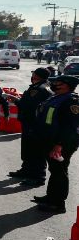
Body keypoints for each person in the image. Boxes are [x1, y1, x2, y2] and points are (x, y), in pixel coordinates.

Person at [31, 75, 79, 213]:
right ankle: (51, 197)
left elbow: (69, 127)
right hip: (51, 140)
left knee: (60, 172)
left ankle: (58, 204)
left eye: (59, 82)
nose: (55, 84)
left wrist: (59, 145)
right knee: (54, 170)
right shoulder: (56, 97)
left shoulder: (71, 101)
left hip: (63, 143)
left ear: (67, 85)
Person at [5, 68, 53, 186]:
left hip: (34, 124)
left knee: (36, 151)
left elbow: (29, 106)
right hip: (30, 123)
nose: (32, 76)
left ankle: (38, 177)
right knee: (27, 149)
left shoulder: (39, 89)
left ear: (37, 75)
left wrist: (16, 100)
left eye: (34, 74)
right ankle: (26, 170)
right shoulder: (41, 86)